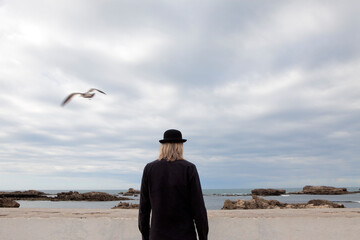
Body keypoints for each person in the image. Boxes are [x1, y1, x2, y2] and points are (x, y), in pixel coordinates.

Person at [138, 129, 209, 240]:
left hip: (157, 235)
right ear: (180, 146)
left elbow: (144, 209)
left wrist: (145, 236)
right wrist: (203, 237)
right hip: (185, 235)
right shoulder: (189, 168)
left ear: (163, 146)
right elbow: (198, 208)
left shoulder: (149, 169)